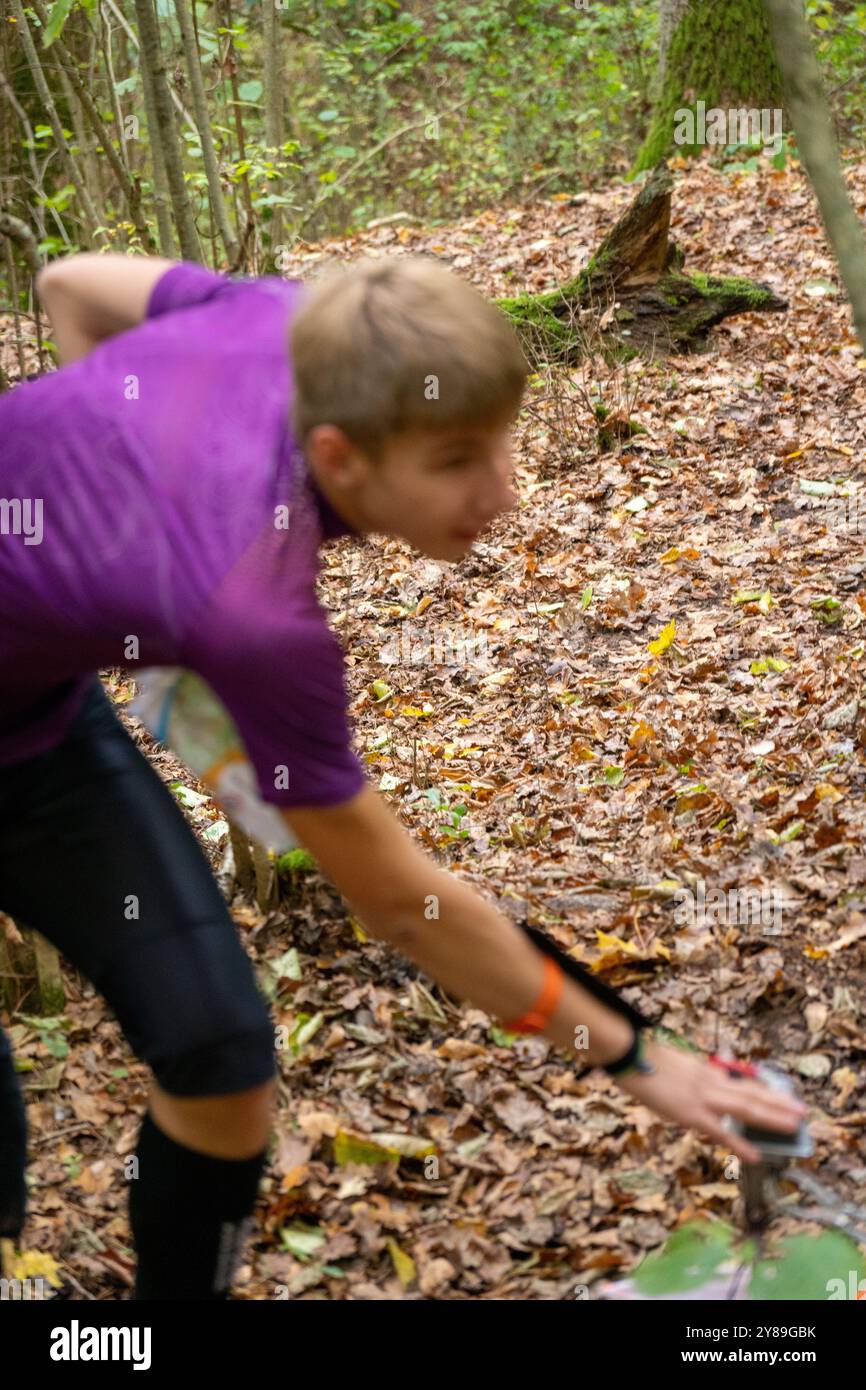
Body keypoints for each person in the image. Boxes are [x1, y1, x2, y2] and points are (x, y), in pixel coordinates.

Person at [0, 253, 807, 1300]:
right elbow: (403, 902)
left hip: (33, 717)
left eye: (500, 442)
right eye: (456, 459)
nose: (501, 493)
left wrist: (117, 563)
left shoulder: (309, 327)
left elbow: (72, 287)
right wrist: (643, 1059)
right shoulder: (253, 611)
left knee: (221, 1054)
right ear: (337, 454)